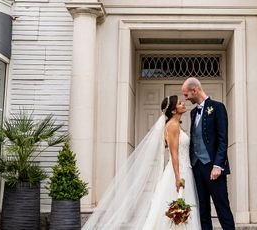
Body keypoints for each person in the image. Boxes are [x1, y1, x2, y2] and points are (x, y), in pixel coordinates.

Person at [82, 95, 201, 230]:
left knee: (181, 208)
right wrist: (178, 177)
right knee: (175, 208)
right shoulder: (172, 126)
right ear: (173, 111)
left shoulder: (176, 125)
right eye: (180, 103)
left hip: (186, 169)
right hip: (179, 171)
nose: (183, 104)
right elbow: (174, 154)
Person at [182, 77, 235, 230]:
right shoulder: (193, 113)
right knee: (203, 211)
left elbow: (222, 139)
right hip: (197, 167)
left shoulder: (218, 107)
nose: (185, 98)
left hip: (213, 168)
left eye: (186, 95)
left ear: (195, 90)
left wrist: (218, 165)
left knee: (222, 208)